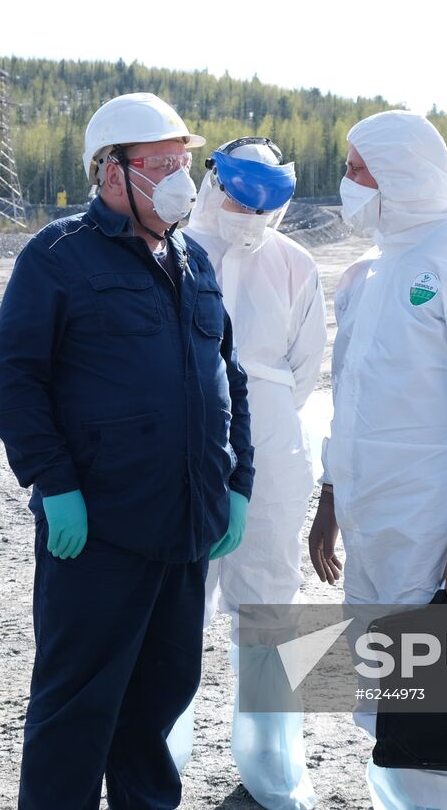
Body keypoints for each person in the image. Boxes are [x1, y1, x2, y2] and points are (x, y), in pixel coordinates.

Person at [0, 92, 254, 809]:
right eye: (162, 165)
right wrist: (53, 481)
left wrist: (239, 482)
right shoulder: (58, 257)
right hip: (99, 535)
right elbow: (13, 381)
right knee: (76, 710)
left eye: (185, 163)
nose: (182, 180)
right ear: (112, 172)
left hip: (184, 533)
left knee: (158, 709)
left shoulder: (193, 258)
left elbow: (229, 376)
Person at [307, 110, 447, 810]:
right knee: (390, 700)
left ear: (401, 172)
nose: (345, 183)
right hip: (379, 524)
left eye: (356, 168)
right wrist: (330, 499)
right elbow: (352, 403)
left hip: (444, 529)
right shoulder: (370, 273)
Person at [170, 137, 327, 808]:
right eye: (236, 191)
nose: (245, 209)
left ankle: (272, 764)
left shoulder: (295, 264)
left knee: (268, 609)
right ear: (211, 182)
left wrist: (255, 420)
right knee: (175, 606)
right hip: (181, 443)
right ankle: (160, 758)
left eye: (261, 199)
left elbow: (303, 367)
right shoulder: (170, 249)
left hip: (272, 444)